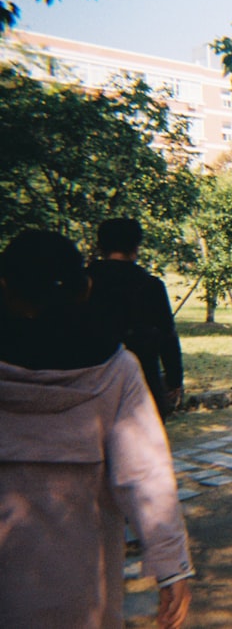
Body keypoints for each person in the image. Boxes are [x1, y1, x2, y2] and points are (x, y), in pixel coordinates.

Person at [0, 230, 194, 629]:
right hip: (81, 591)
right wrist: (172, 567)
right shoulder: (115, 368)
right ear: (83, 289)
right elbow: (145, 474)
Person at [88, 218, 184, 419]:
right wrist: (174, 379)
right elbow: (168, 335)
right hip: (142, 382)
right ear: (136, 246)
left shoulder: (85, 282)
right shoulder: (150, 286)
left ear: (100, 245)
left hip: (90, 383)